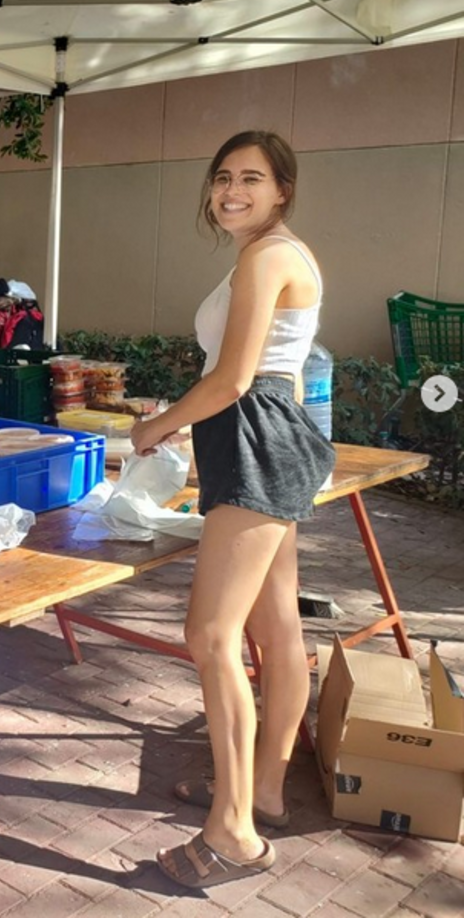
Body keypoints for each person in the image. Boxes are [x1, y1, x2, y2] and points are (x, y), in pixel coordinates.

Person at [130, 131, 334, 889]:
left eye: (250, 177)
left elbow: (235, 377)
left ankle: (235, 831)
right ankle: (264, 791)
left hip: (255, 434)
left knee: (210, 634)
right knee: (275, 627)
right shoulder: (270, 252)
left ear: (282, 188)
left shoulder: (269, 255)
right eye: (221, 177)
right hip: (259, 436)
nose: (231, 190)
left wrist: (157, 424)